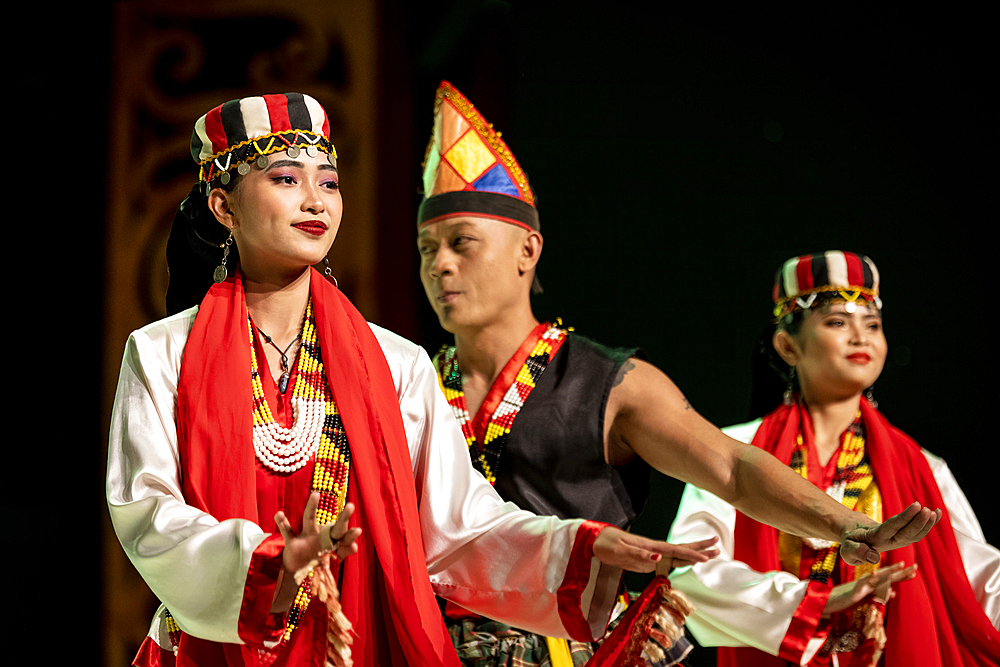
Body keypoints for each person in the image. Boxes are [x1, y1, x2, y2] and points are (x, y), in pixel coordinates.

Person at [106, 93, 724, 667]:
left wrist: (580, 550)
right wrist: (265, 564)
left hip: (358, 641)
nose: (316, 201)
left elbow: (458, 528)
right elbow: (148, 510)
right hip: (219, 643)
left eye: (328, 183)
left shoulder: (395, 362)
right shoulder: (164, 352)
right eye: (286, 180)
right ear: (223, 205)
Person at [414, 81, 941, 667]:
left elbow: (732, 467)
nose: (440, 265)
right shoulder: (411, 382)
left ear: (527, 250)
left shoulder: (609, 384)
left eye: (461, 242)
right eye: (425, 248)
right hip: (431, 646)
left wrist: (845, 525)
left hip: (575, 650)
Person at [667, 250, 1000, 666]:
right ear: (788, 345)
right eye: (837, 322)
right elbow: (691, 568)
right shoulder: (736, 449)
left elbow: (977, 577)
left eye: (872, 325)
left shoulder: (919, 465)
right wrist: (806, 603)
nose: (860, 337)